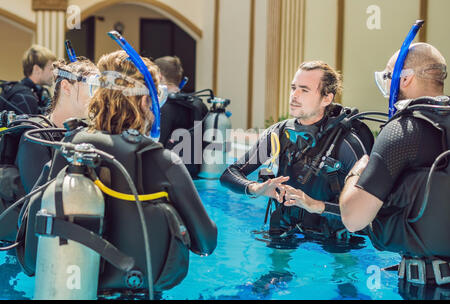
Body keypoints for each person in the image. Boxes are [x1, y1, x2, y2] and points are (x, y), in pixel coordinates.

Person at [18, 50, 217, 298]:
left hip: (77, 290)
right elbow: (207, 242)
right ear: (145, 102)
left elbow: (30, 247)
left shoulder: (70, 149)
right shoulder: (162, 161)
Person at [220, 61, 373, 240]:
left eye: (304, 90)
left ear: (326, 98)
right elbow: (230, 174)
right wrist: (256, 188)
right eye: (293, 88)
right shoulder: (279, 132)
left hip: (336, 241)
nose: (294, 95)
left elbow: (366, 208)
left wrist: (315, 205)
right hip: (286, 229)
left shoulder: (346, 142)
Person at [339, 42, 450, 286]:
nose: (386, 86)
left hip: (425, 285)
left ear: (406, 78)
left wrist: (355, 174)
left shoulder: (401, 131)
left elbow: (353, 218)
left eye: (388, 76)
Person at [0, 57, 98, 242]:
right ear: (67, 88)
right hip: (30, 249)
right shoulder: (35, 136)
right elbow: (42, 201)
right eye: (93, 86)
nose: (97, 96)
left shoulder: (81, 135)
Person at [154, 56, 209, 177]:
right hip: (196, 174)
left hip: (168, 175)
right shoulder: (199, 105)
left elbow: (155, 147)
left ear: (159, 77)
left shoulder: (162, 107)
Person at [0, 45, 56, 115]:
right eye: (51, 69)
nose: (54, 73)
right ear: (37, 69)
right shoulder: (24, 96)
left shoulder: (40, 93)